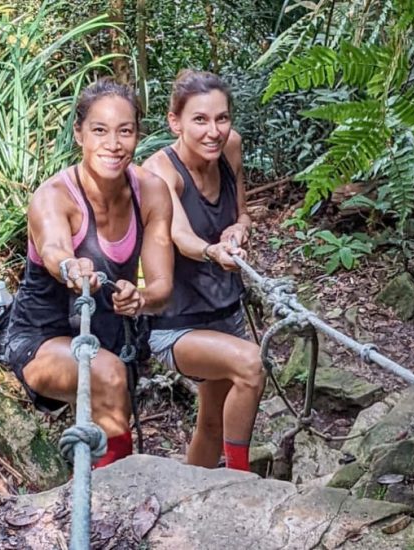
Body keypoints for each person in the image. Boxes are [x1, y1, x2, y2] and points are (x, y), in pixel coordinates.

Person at [5, 79, 173, 469]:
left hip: (112, 336)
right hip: (42, 337)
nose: (113, 144)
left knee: (111, 378)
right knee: (109, 375)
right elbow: (53, 248)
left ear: (138, 135)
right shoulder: (54, 196)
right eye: (99, 130)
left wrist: (141, 298)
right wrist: (70, 266)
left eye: (125, 131)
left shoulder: (152, 192)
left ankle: (106, 492)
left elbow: (162, 286)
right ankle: (113, 502)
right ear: (79, 133)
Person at [143, 70, 264, 471]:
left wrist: (238, 228)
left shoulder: (230, 149)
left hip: (226, 312)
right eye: (200, 120)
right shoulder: (160, 171)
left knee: (211, 423)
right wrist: (213, 251)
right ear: (174, 121)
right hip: (176, 324)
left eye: (222, 118)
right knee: (251, 364)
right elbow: (178, 234)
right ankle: (242, 479)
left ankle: (194, 499)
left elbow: (244, 214)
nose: (213, 131)